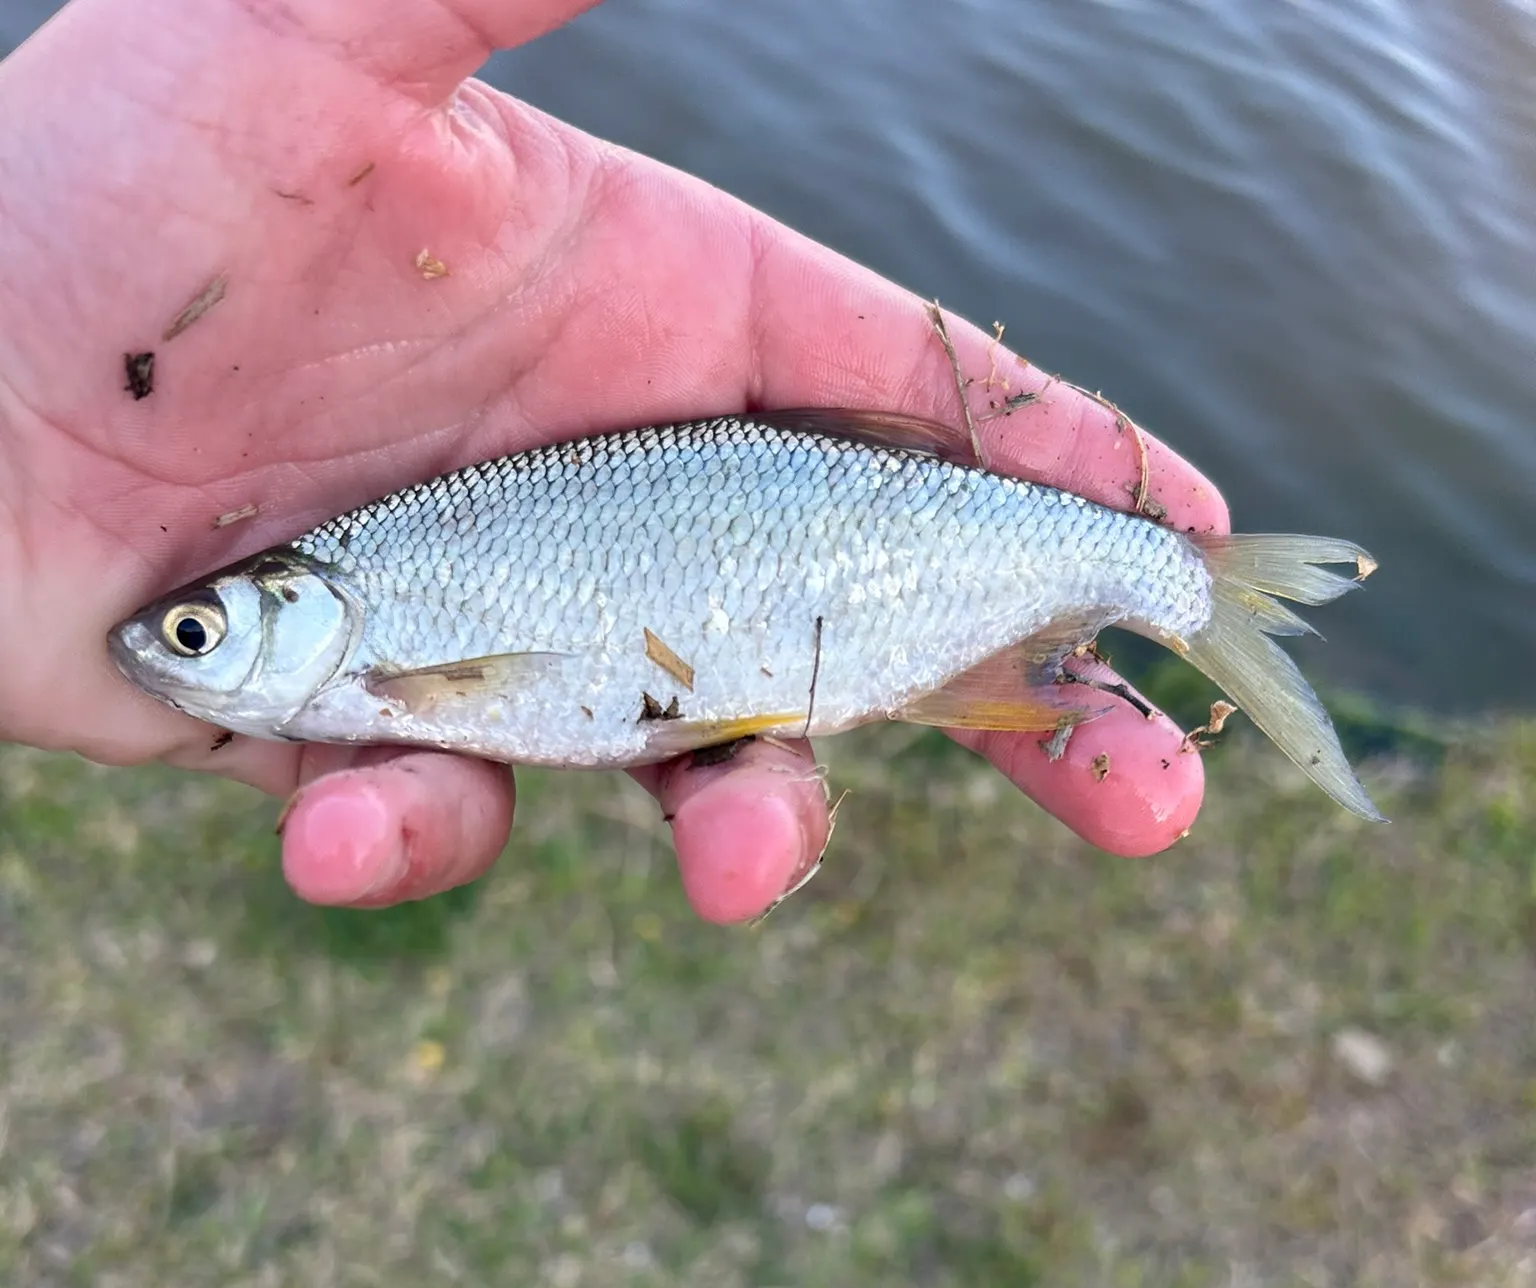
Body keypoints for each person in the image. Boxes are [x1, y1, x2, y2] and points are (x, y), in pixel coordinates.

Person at [0, 0, 1219, 923]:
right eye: (193, 634)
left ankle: (1187, 587)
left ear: (295, 606)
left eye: (196, 633)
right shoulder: (372, 617)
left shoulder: (371, 620)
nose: (160, 642)